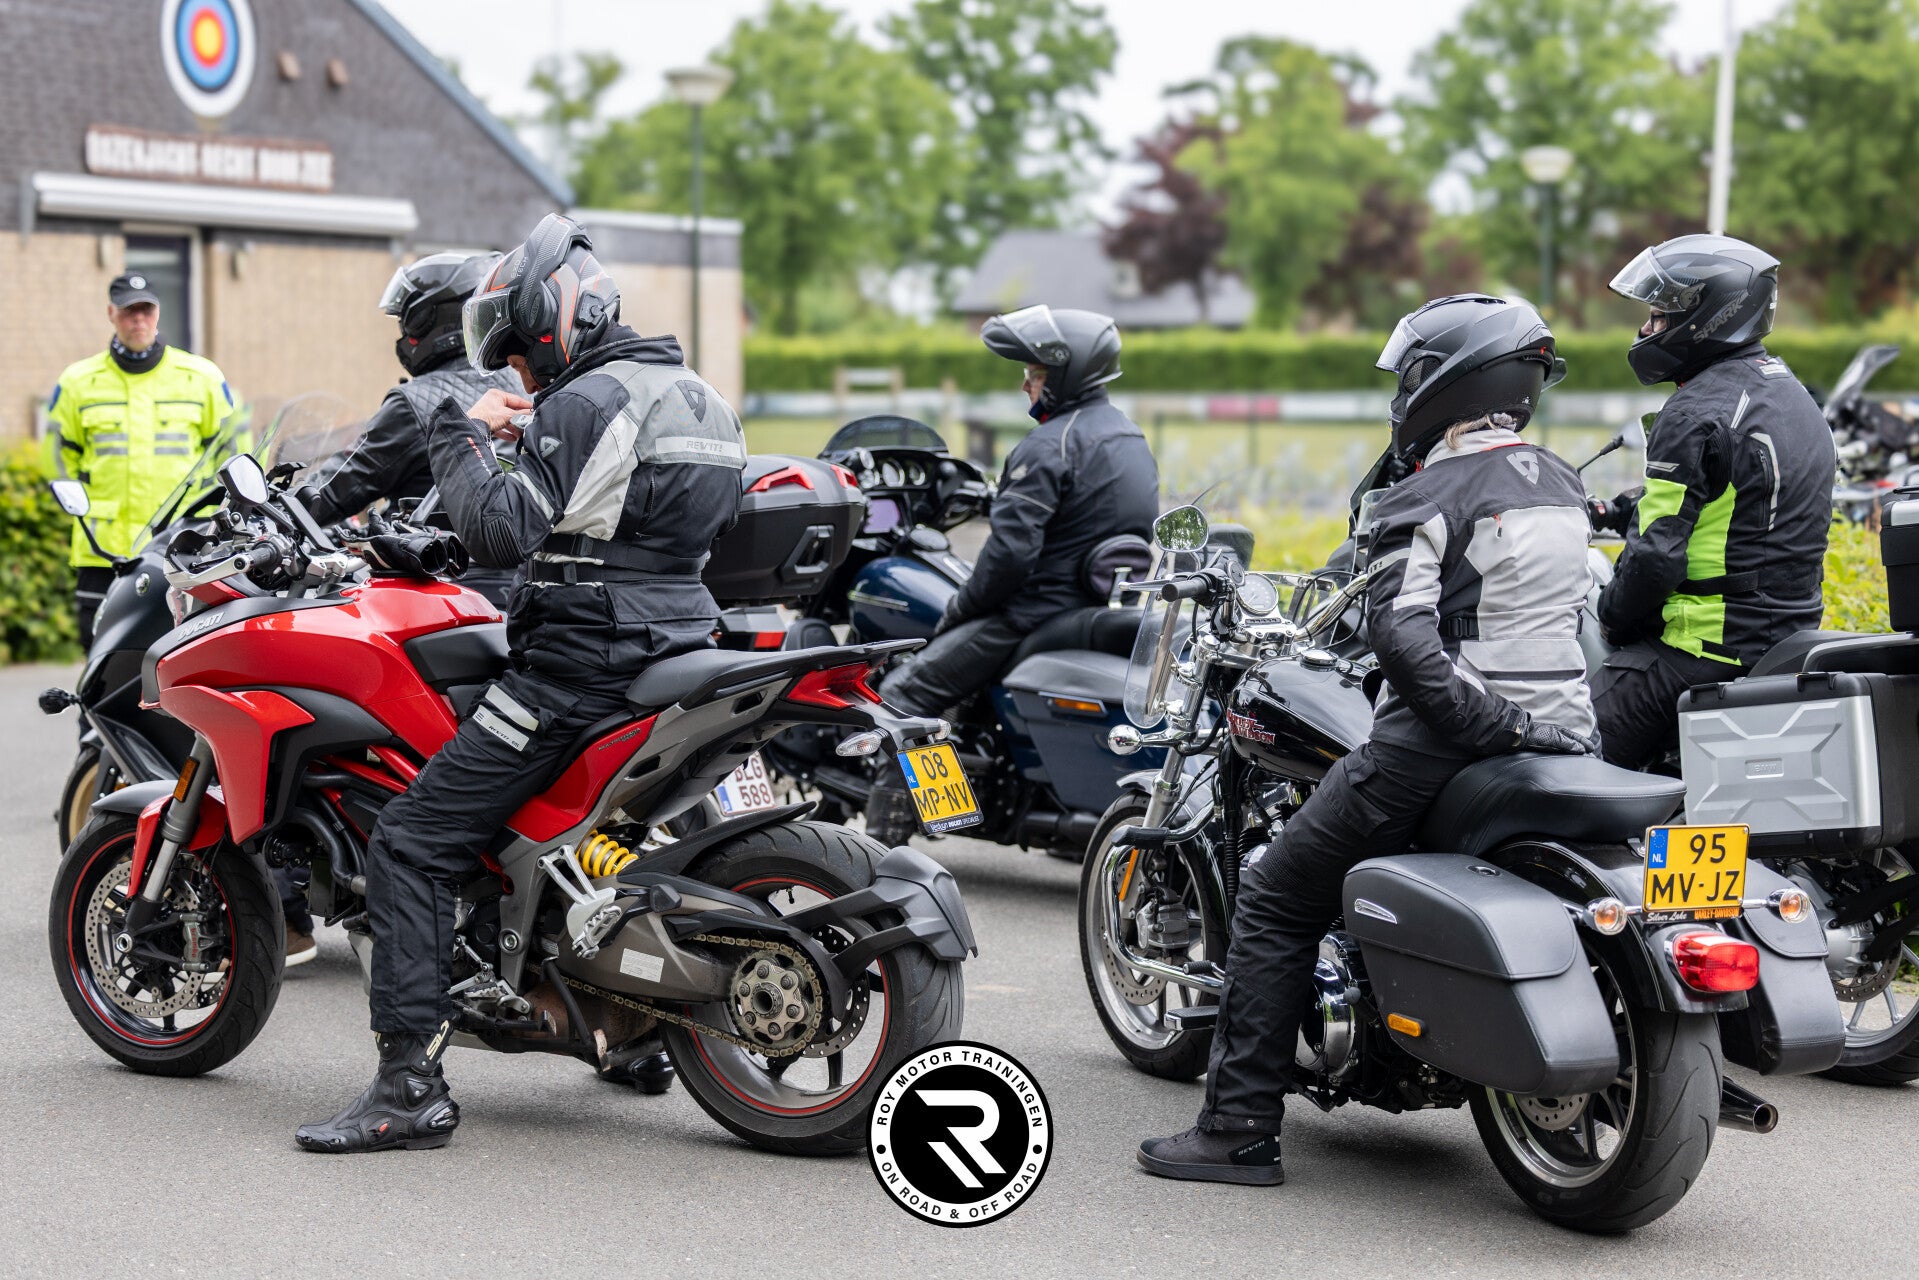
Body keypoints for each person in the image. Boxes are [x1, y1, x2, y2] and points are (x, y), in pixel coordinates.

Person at [295, 214, 747, 1154]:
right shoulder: (697, 395)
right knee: (584, 837)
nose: (516, 371)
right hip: (676, 642)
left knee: (414, 842)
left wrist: (457, 427)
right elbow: (629, 515)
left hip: (579, 666)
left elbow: (500, 532)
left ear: (550, 322)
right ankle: (633, 1040)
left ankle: (408, 1087)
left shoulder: (585, 400)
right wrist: (530, 431)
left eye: (517, 351)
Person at [1137, 294, 1600, 1185]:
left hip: (1442, 748)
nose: (1399, 394)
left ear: (1441, 382)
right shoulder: (1558, 480)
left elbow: (1404, 642)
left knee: (1274, 895)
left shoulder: (1423, 494)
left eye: (1407, 376)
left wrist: (1486, 721)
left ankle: (1237, 1131)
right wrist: (1525, 725)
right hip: (1566, 735)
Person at [866, 305, 1159, 845]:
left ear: (1067, 375)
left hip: (1031, 615)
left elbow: (1007, 560)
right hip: (1093, 608)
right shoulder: (1129, 437)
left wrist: (957, 611)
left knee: (902, 694)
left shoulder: (1048, 445)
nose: (1026, 384)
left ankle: (882, 852)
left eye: (1036, 373)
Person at [1590, 235, 1837, 769]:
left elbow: (1655, 560)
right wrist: (1619, 509)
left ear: (1709, 315)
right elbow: (1737, 502)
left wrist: (1611, 617)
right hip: (1787, 642)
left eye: (1658, 316)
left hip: (1703, 650)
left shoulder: (1692, 411)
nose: (1646, 330)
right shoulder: (1791, 394)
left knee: (1559, 752)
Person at [297, 252, 524, 606]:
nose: (405, 335)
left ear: (435, 319)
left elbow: (332, 490)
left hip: (438, 587)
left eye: (410, 322)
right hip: (520, 589)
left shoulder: (415, 402)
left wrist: (268, 511)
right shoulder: (525, 382)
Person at [47, 273, 237, 647]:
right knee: (100, 652)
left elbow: (230, 457)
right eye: (128, 311)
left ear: (158, 313)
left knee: (182, 653)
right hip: (103, 550)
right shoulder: (77, 382)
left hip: (182, 545)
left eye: (146, 310)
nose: (138, 319)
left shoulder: (202, 378)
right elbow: (57, 459)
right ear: (111, 314)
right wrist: (78, 500)